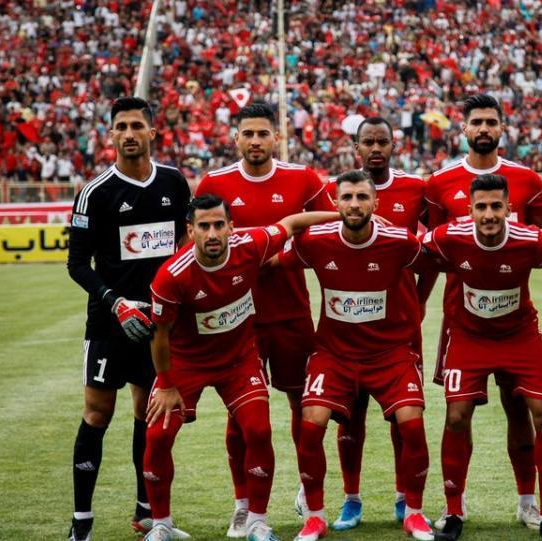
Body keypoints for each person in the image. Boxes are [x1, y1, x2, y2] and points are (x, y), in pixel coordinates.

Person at [142, 195, 338, 541]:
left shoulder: (251, 244)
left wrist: (344, 215)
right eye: (204, 226)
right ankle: (161, 525)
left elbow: (291, 223)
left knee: (259, 430)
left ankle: (257, 522)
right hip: (187, 363)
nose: (212, 234)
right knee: (157, 436)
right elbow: (158, 335)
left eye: (219, 225)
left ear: (231, 227)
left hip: (239, 360)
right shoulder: (171, 276)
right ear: (190, 231)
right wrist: (167, 384)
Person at [422, 94, 542, 529]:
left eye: (491, 121)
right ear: (464, 128)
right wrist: (416, 304)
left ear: (502, 128)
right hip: (462, 323)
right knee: (457, 414)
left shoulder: (525, 179)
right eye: (476, 122)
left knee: (523, 409)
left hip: (517, 325)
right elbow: (427, 251)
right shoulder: (439, 183)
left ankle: (531, 504)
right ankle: (454, 507)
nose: (483, 128)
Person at [194, 102, 333, 537]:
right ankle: (243, 506)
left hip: (290, 313)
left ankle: (310, 494)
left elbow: (326, 231)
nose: (255, 141)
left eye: (263, 133)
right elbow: (194, 242)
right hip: (237, 321)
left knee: (304, 407)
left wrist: (283, 257)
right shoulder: (214, 183)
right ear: (236, 138)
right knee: (241, 416)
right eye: (248, 134)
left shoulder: (303, 178)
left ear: (277, 137)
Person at [282, 170, 434, 541]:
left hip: (390, 352)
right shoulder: (315, 240)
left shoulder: (400, 241)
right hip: (334, 353)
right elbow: (271, 263)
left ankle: (414, 512)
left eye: (362, 197)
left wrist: (418, 305)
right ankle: (315, 517)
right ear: (335, 203)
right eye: (347, 197)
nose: (354, 204)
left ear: (376, 203)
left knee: (412, 422)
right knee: (311, 422)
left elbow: (432, 264)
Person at [66, 96, 191, 541]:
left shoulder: (174, 182)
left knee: (147, 412)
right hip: (109, 320)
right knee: (97, 413)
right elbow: (77, 264)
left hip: (157, 323)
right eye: (121, 127)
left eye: (137, 125)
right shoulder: (96, 192)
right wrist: (115, 301)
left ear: (152, 132)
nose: (129, 133)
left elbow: (184, 245)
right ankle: (81, 522)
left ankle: (146, 511)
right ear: (111, 135)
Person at [321, 116, 429, 530]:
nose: (376, 148)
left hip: (399, 323)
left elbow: (431, 252)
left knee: (404, 414)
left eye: (383, 141)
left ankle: (405, 498)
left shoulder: (414, 188)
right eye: (369, 142)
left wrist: (421, 298)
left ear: (393, 145)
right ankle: (351, 499)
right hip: (347, 326)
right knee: (350, 414)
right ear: (357, 148)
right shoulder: (340, 191)